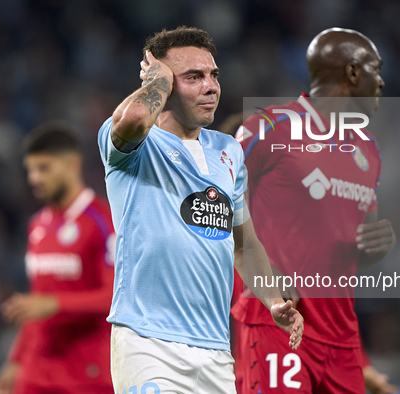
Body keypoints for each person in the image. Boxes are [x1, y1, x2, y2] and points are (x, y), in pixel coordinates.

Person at [97, 26, 304, 394]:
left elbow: (244, 245)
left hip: (214, 351)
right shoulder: (135, 143)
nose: (211, 87)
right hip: (148, 342)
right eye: (193, 77)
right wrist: (157, 80)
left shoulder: (228, 150)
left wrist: (273, 301)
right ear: (161, 84)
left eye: (213, 75)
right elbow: (134, 120)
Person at [231, 28, 399, 394]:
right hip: (276, 324)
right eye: (376, 68)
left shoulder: (368, 149)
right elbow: (214, 206)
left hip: (341, 338)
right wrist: (262, 273)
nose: (382, 81)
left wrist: (376, 249)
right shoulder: (269, 127)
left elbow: (353, 249)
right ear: (353, 72)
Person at [0, 122, 115, 394]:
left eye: (43, 168)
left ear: (72, 164)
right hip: (37, 370)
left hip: (86, 372)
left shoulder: (102, 221)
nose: (34, 178)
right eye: (31, 170)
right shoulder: (37, 225)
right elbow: (38, 301)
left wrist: (55, 304)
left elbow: (115, 296)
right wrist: (15, 360)